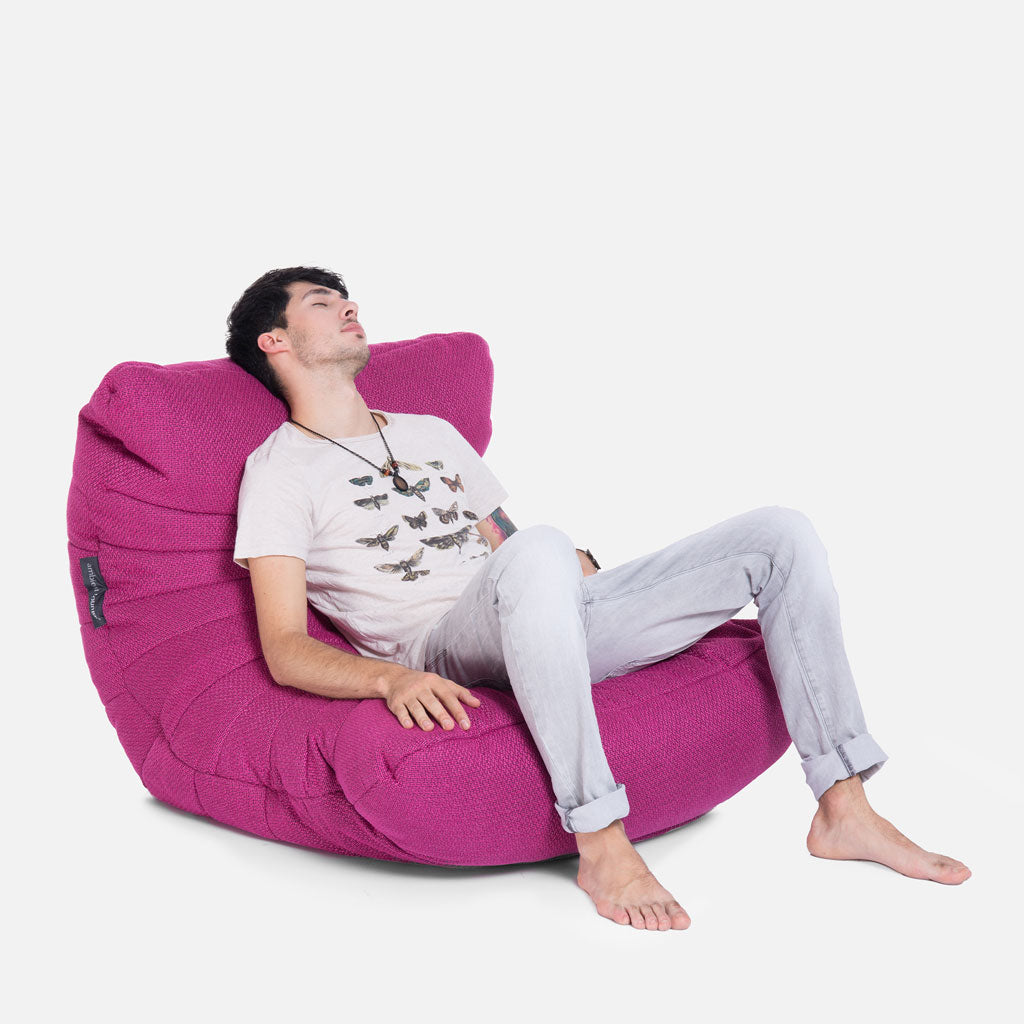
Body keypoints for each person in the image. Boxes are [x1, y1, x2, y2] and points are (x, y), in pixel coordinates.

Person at [225, 265, 971, 931]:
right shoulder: (281, 472)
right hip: (440, 647)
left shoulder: (432, 434)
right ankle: (600, 836)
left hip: (543, 612)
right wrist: (390, 679)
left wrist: (585, 578)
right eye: (322, 302)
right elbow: (285, 647)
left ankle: (844, 805)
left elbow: (505, 541)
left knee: (779, 533)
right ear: (275, 342)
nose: (350, 308)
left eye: (348, 298)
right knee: (542, 546)